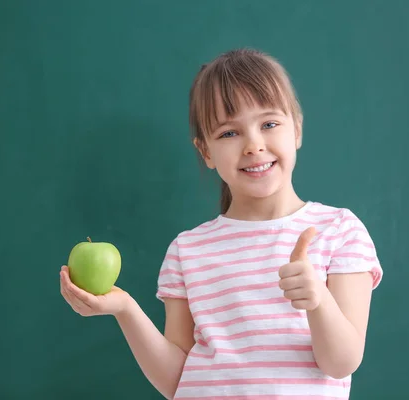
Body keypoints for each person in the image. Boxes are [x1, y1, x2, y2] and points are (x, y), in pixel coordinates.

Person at [59, 48, 383, 399]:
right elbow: (175, 382)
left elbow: (341, 363)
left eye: (270, 124)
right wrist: (124, 309)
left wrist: (317, 298)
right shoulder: (188, 250)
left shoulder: (339, 231)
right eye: (229, 133)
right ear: (206, 152)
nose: (253, 145)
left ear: (297, 130)